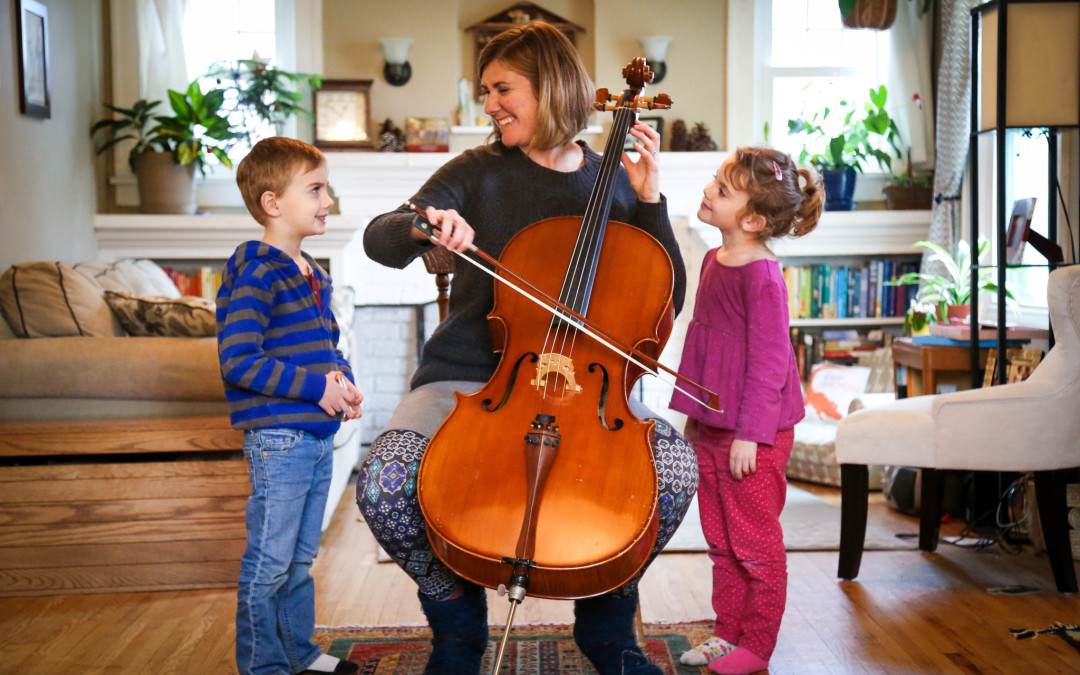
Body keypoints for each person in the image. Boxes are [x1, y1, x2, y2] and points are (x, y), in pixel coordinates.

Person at [357, 20, 697, 675]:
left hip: (593, 392)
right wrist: (424, 225)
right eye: (486, 90)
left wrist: (650, 200)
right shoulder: (476, 171)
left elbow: (664, 297)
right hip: (466, 379)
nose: (489, 104)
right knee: (383, 481)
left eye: (502, 88)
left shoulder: (616, 181)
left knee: (677, 475)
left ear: (551, 87)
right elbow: (380, 238)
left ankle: (606, 629)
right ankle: (456, 626)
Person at [669, 147, 824, 675]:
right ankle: (726, 634)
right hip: (715, 425)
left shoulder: (762, 276)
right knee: (720, 542)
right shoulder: (714, 259)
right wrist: (696, 414)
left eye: (723, 189)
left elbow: (769, 362)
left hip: (753, 435)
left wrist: (749, 435)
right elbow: (709, 346)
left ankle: (757, 646)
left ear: (754, 220)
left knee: (755, 544)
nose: (709, 189)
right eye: (715, 180)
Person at [217, 136, 364, 675]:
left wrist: (342, 382)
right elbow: (238, 360)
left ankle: (299, 655)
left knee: (300, 560)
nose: (328, 201)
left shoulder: (314, 274)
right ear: (273, 203)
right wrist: (315, 388)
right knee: (270, 563)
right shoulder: (257, 271)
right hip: (279, 438)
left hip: (317, 437)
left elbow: (329, 347)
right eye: (317, 190)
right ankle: (263, 667)